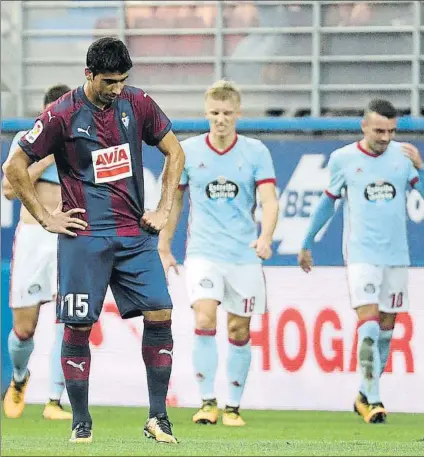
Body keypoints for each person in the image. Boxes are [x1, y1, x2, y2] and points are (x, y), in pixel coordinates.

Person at [2, 37, 185, 444]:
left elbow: (175, 152)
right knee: (78, 325)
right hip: (84, 238)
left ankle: (158, 418)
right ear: (88, 74)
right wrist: (46, 217)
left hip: (135, 236)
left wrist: (163, 208)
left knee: (161, 314)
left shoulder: (138, 103)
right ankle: (80, 422)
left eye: (122, 80)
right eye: (109, 82)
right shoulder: (61, 115)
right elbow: (13, 167)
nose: (117, 89)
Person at [159, 80, 279, 426]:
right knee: (204, 318)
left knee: (240, 330)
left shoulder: (256, 152)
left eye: (227, 113)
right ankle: (208, 402)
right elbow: (176, 200)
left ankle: (234, 406)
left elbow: (269, 200)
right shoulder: (190, 152)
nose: (220, 120)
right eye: (214, 113)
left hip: (243, 255)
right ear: (206, 113)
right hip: (203, 252)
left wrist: (266, 237)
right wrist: (164, 244)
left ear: (238, 114)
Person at [298, 99, 424, 424]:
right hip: (361, 255)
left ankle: (364, 395)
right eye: (380, 130)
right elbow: (328, 203)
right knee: (368, 325)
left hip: (396, 256)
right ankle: (376, 399)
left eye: (391, 131)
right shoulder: (343, 159)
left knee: (386, 331)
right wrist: (307, 241)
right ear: (364, 126)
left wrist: (421, 169)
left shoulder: (404, 156)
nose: (385, 137)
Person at [2, 84, 73, 421]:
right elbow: (8, 190)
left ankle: (54, 400)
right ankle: (19, 379)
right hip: (33, 236)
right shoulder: (26, 140)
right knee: (24, 329)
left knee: (68, 317)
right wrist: (47, 154)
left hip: (71, 238)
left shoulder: (83, 141)